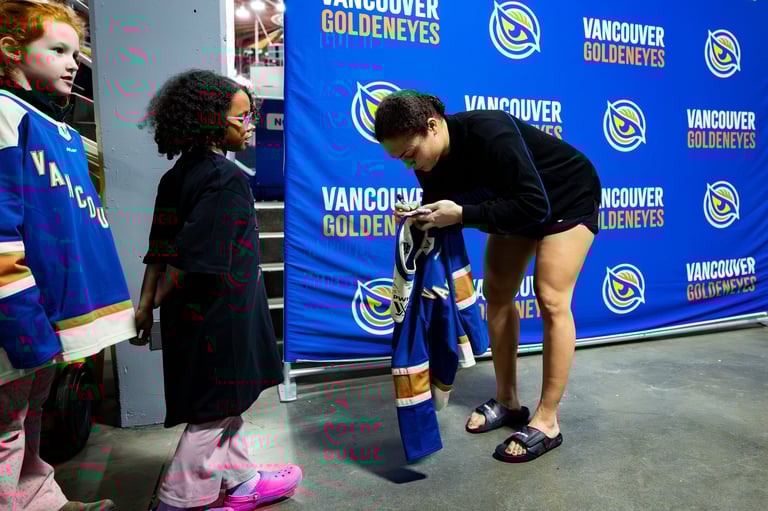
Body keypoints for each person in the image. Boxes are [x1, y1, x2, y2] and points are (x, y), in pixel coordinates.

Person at [374, 90, 601, 463]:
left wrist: (462, 214)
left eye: (410, 155)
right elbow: (454, 209)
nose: (409, 166)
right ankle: (509, 401)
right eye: (400, 160)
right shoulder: (429, 165)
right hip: (518, 202)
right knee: (497, 294)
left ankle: (547, 420)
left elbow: (534, 204)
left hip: (566, 196)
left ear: (432, 126)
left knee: (551, 297)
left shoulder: (488, 131)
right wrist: (422, 218)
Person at [135, 69, 302, 511]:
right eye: (242, 117)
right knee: (211, 414)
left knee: (224, 407)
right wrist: (157, 299)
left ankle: (242, 479)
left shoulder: (175, 177)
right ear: (212, 120)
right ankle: (179, 500)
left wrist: (145, 305)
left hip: (193, 318)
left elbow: (158, 250)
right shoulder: (226, 178)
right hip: (219, 318)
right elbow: (194, 259)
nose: (250, 125)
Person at [0, 0, 136, 509]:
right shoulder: (5, 115)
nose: (73, 61)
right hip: (17, 315)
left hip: (43, 315)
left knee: (28, 417)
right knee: (6, 430)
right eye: (57, 49)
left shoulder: (56, 128)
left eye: (74, 51)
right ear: (12, 52)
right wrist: (21, 317)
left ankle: (43, 501)